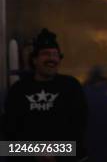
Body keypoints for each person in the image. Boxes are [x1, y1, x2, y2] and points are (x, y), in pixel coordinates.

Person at [4, 28, 88, 161]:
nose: (52, 59)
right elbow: (8, 142)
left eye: (55, 55)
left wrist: (54, 154)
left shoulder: (71, 86)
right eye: (46, 54)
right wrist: (37, 153)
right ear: (35, 60)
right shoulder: (18, 90)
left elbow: (79, 130)